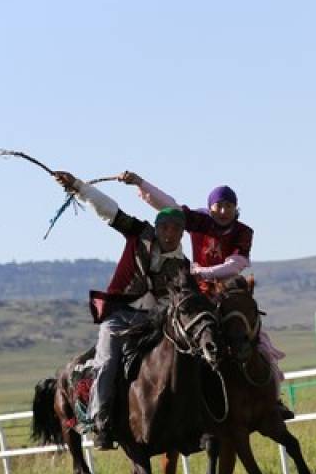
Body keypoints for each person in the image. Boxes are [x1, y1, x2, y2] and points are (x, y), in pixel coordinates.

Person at [119, 171, 293, 419]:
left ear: (236, 208)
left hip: (230, 291)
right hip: (199, 295)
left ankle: (273, 399)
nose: (224, 211)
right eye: (219, 205)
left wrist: (203, 272)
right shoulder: (201, 221)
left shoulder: (244, 232)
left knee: (258, 341)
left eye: (229, 206)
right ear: (211, 207)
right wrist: (140, 183)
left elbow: (236, 263)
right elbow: (169, 206)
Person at [53, 170, 190, 449]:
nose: (170, 234)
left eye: (176, 230)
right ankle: (101, 422)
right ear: (157, 227)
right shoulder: (139, 233)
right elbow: (108, 210)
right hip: (120, 316)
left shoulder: (182, 265)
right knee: (106, 362)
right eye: (165, 228)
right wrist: (78, 186)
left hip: (155, 322)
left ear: (181, 233)